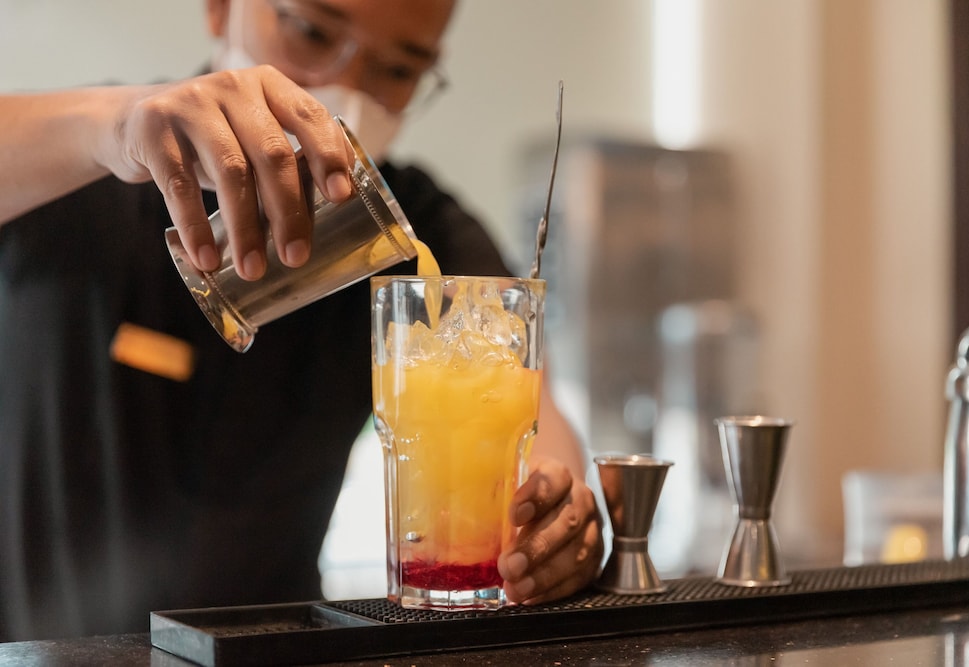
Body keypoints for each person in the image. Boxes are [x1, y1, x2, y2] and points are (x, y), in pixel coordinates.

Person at [0, 0, 603, 641]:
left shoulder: (412, 228)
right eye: (313, 32)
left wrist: (554, 516)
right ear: (220, 9)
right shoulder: (77, 166)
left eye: (399, 70)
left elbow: (528, 417)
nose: (347, 87)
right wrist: (114, 125)